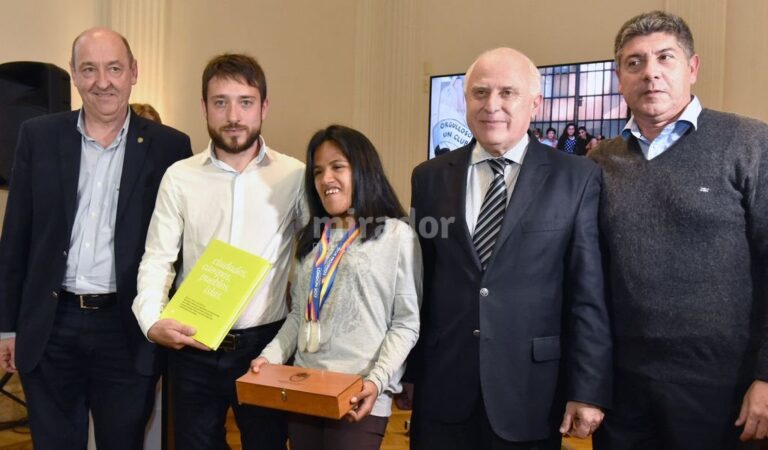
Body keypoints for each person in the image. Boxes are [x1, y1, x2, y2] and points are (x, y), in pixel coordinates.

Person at [409, 47, 611, 450]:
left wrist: (587, 388)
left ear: (535, 104)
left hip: (531, 392)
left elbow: (587, 293)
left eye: (508, 93)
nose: (492, 105)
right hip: (443, 389)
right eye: (480, 93)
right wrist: (410, 373)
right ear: (466, 101)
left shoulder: (577, 177)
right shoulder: (429, 177)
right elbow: (420, 285)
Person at [0, 27, 192, 449]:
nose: (102, 81)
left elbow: (179, 247)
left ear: (133, 73)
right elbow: (15, 237)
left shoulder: (170, 147)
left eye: (114, 68)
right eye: (89, 69)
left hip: (125, 329)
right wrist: (7, 329)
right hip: (51, 326)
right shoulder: (38, 136)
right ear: (73, 74)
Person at [589, 10, 768, 450]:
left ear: (692, 68)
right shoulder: (598, 164)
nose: (650, 73)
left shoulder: (749, 143)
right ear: (619, 78)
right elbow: (587, 281)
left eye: (664, 58)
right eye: (634, 63)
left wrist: (766, 375)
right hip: (624, 391)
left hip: (723, 391)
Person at [132, 53, 304, 450]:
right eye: (220, 102)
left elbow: (319, 251)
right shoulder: (180, 177)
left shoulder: (294, 175)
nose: (233, 115)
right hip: (192, 346)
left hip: (266, 348)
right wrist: (151, 321)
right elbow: (158, 258)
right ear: (204, 107)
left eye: (245, 102)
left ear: (264, 106)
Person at [251, 124, 422, 450]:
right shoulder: (312, 240)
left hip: (359, 393)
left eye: (337, 167)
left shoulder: (397, 236)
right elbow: (299, 318)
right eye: (318, 171)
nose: (325, 179)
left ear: (363, 170)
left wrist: (376, 380)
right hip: (304, 387)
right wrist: (268, 357)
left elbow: (405, 323)